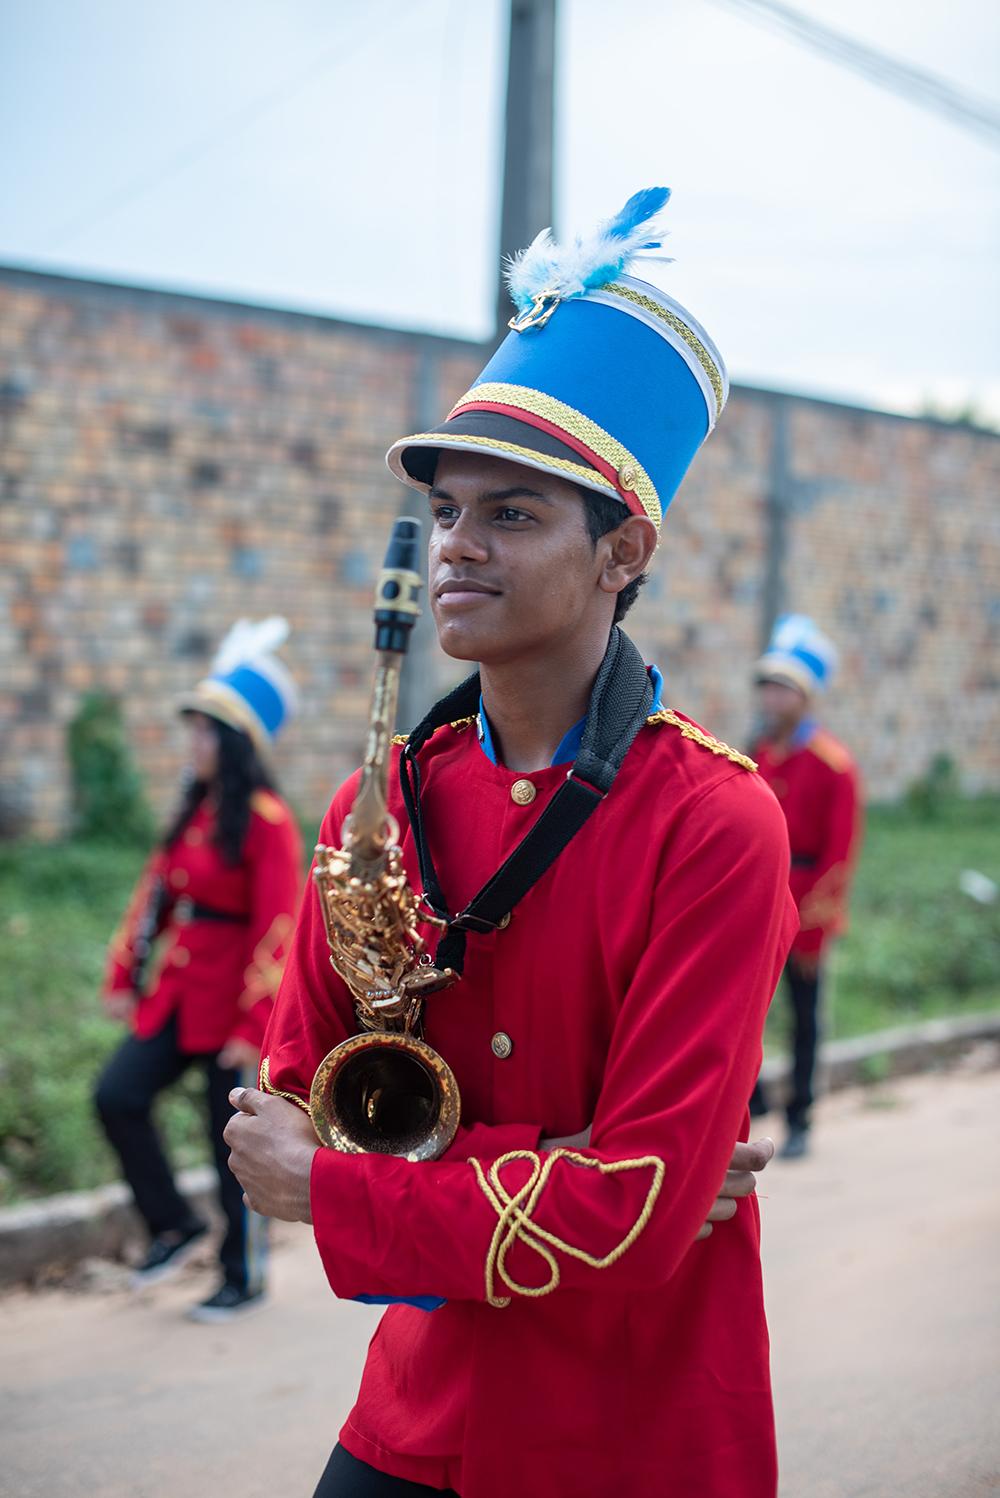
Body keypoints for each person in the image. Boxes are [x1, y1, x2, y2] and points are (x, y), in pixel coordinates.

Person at [225, 187, 797, 1496]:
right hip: (416, 1406)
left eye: (514, 515)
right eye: (448, 512)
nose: (458, 548)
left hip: (634, 1426)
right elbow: (283, 1122)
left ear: (623, 551)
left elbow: (638, 1214)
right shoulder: (372, 809)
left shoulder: (718, 820)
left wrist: (366, 1179)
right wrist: (578, 1169)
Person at [95, 619, 303, 1320]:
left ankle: (241, 1275)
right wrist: (125, 976)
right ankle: (173, 1226)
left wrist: (255, 1024)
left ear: (237, 742)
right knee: (116, 1096)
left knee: (232, 1145)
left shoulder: (267, 820)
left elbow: (281, 925)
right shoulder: (195, 811)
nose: (196, 743)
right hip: (179, 998)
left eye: (209, 732)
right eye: (195, 731)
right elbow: (153, 895)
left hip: (233, 1010)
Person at [749, 615, 863, 1158]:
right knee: (741, 1012)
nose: (770, 699)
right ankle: (752, 1104)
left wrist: (809, 921)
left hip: (806, 913)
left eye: (782, 689)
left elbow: (840, 858)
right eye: (766, 687)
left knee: (804, 1019)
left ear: (804, 698)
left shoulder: (833, 766)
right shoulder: (759, 756)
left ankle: (801, 1118)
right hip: (756, 911)